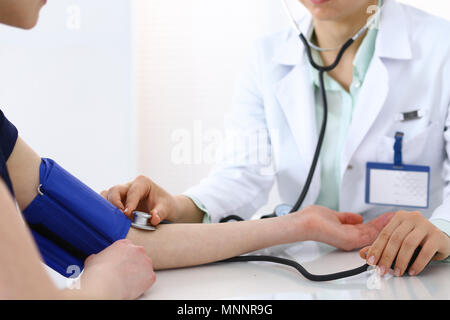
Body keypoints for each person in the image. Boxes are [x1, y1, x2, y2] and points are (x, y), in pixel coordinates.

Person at [1, 0, 395, 299]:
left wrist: (299, 224)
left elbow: (117, 237)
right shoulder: (268, 56)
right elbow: (239, 173)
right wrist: (100, 289)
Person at [103, 0, 450, 278]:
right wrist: (180, 206)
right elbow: (242, 172)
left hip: (412, 273)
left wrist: (443, 228)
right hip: (303, 269)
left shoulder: (440, 47)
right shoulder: (267, 57)